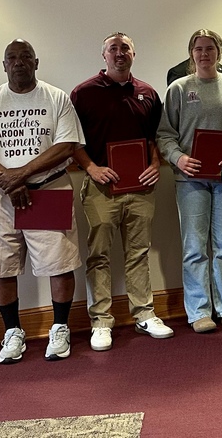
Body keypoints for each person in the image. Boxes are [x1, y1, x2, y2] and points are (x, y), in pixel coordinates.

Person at [0, 39, 83, 364]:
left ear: (36, 62)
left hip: (48, 188)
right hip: (2, 195)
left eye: (25, 57)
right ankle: (12, 332)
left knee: (58, 264)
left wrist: (22, 174)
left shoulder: (56, 98)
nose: (19, 62)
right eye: (12, 58)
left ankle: (60, 328)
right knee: (1, 266)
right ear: (4, 65)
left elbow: (67, 145)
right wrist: (7, 179)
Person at [70, 33, 173, 352]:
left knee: (138, 253)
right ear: (103, 56)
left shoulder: (148, 93)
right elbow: (72, 141)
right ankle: (100, 321)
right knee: (99, 255)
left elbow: (156, 137)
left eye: (124, 48)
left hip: (140, 188)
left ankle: (144, 313)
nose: (119, 54)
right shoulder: (83, 93)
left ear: (133, 54)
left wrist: (155, 164)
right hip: (101, 187)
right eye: (113, 49)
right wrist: (91, 168)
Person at [157, 29, 222, 333]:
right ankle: (199, 311)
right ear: (191, 53)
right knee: (194, 247)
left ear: (219, 52)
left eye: (210, 48)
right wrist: (178, 158)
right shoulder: (179, 89)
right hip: (189, 178)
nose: (204, 54)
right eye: (198, 49)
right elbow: (165, 135)